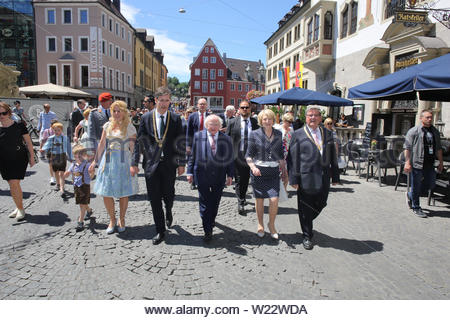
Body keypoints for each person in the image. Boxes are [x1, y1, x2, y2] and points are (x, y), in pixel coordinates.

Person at [131, 86, 185, 245]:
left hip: (169, 165)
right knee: (154, 199)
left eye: (167, 100)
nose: (164, 104)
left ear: (170, 101)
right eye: (161, 100)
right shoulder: (146, 118)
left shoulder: (175, 119)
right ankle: (160, 230)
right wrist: (134, 163)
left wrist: (182, 163)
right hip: (151, 165)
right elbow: (139, 142)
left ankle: (168, 210)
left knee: (169, 195)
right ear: (156, 100)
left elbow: (180, 142)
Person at [288, 107, 339, 250]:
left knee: (321, 203)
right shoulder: (298, 134)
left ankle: (307, 220)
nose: (313, 118)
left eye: (316, 115)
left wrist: (335, 175)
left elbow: (333, 156)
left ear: (320, 118)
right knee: (305, 207)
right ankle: (307, 235)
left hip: (323, 176)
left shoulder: (328, 133)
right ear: (306, 118)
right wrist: (294, 179)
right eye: (310, 115)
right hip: (305, 177)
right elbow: (292, 158)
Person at [89, 100, 138, 234]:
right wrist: (95, 162)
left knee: (123, 192)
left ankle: (122, 219)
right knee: (106, 191)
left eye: (119, 111)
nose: (116, 113)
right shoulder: (107, 125)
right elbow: (102, 144)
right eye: (114, 111)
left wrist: (134, 164)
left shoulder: (129, 126)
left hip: (123, 160)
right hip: (108, 160)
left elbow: (133, 147)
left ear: (124, 112)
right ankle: (112, 219)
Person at [187, 115, 234, 242]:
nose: (213, 127)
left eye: (216, 124)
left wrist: (230, 175)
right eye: (211, 124)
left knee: (215, 202)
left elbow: (230, 159)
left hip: (219, 175)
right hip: (202, 174)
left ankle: (212, 219)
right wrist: (189, 172)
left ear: (220, 126)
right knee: (204, 202)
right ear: (206, 125)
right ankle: (207, 229)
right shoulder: (198, 136)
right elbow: (192, 156)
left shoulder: (227, 139)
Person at [246, 109, 286, 239]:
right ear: (261, 121)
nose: (267, 121)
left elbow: (280, 154)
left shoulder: (279, 134)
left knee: (274, 200)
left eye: (269, 119)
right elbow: (248, 155)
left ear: (273, 120)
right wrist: (253, 167)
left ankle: (271, 224)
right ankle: (260, 225)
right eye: (264, 119)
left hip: (274, 171)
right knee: (260, 200)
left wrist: (284, 170)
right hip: (259, 171)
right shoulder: (254, 134)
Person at [404, 109, 443, 218]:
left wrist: (440, 162)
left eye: (431, 117)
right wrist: (407, 162)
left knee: (430, 184)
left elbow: (439, 148)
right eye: (427, 117)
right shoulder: (414, 131)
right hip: (417, 163)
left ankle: (410, 195)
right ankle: (416, 207)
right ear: (421, 118)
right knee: (416, 186)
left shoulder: (435, 131)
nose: (430, 119)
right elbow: (407, 147)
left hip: (430, 163)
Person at [0, 102, 36, 221]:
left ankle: (20, 209)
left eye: (4, 113)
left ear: (9, 113)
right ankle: (18, 206)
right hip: (4, 159)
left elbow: (29, 142)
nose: (1, 115)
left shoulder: (19, 126)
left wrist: (31, 157)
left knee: (14, 182)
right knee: (12, 184)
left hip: (19, 157)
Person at [226, 100, 259, 215]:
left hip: (251, 156)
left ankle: (243, 197)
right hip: (237, 155)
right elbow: (227, 139)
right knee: (239, 179)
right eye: (242, 107)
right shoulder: (232, 122)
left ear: (250, 109)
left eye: (247, 107)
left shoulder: (255, 123)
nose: (245, 109)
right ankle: (241, 201)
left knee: (246, 179)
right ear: (238, 109)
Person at [64, 145, 94, 232]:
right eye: (77, 156)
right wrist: (65, 175)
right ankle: (89, 210)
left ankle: (80, 222)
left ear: (84, 155)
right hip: (76, 186)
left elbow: (92, 176)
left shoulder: (87, 165)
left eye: (81, 155)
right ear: (74, 156)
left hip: (85, 186)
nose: (79, 158)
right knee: (82, 203)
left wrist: (91, 173)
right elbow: (68, 172)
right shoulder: (73, 164)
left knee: (82, 204)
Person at [41, 122, 72, 197]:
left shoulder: (65, 138)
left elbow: (69, 148)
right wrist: (43, 149)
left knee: (61, 173)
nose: (57, 132)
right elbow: (47, 145)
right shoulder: (51, 138)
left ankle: (62, 188)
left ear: (61, 130)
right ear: (53, 130)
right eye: (55, 130)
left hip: (62, 156)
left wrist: (71, 157)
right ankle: (58, 184)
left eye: (58, 130)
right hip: (54, 156)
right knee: (56, 172)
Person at [186, 98, 210, 190]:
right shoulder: (192, 116)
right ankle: (193, 181)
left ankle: (204, 180)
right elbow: (189, 132)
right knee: (194, 162)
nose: (202, 106)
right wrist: (188, 145)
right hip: (195, 143)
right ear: (197, 105)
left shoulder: (210, 116)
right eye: (200, 104)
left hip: (207, 143)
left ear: (206, 105)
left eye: (204, 104)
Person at [276, 113, 295, 191]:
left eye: (291, 122)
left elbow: (293, 141)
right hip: (279, 154)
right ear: (284, 120)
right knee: (279, 173)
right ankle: (278, 189)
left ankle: (284, 190)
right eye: (288, 121)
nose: (290, 123)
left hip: (288, 154)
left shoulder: (291, 130)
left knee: (286, 173)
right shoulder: (278, 128)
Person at [40, 118, 58, 184]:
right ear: (51, 125)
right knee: (51, 164)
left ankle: (57, 176)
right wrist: (41, 148)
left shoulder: (59, 131)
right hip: (49, 150)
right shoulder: (46, 131)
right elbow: (43, 140)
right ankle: (52, 178)